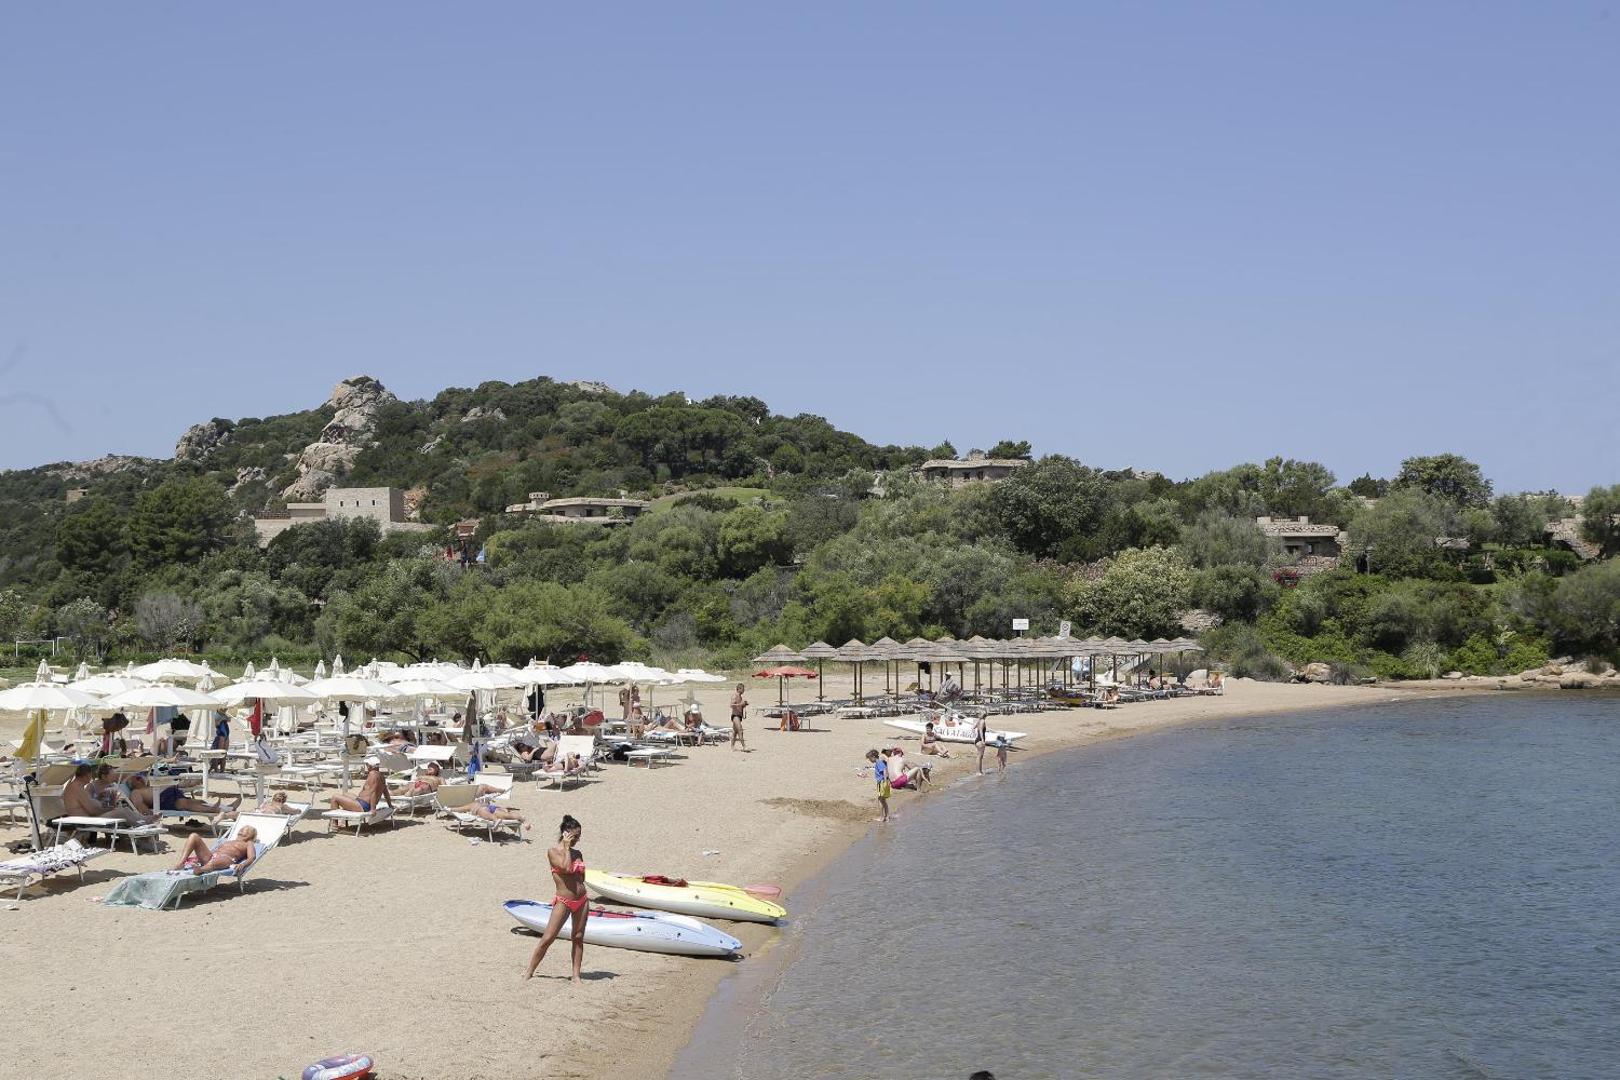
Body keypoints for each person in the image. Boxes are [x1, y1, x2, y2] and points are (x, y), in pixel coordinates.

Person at [524, 815, 589, 983]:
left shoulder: (578, 853)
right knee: (549, 937)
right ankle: (529, 971)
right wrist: (567, 848)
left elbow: (582, 878)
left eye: (579, 836)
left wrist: (578, 869)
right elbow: (566, 868)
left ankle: (576, 975)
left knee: (578, 936)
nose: (578, 839)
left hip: (582, 900)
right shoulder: (553, 852)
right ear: (566, 833)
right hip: (564, 900)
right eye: (575, 836)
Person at [127, 774, 240, 820]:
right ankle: (212, 809)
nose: (141, 778)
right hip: (162, 799)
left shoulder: (147, 787)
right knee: (185, 804)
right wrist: (150, 817)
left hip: (170, 792)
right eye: (137, 778)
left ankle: (227, 808)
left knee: (197, 801)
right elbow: (138, 804)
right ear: (133, 784)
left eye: (140, 776)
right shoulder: (136, 792)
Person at [174, 825, 258, 876]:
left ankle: (201, 870)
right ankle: (181, 863)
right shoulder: (229, 840)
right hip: (211, 857)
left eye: (247, 829)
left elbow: (252, 857)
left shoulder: (248, 843)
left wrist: (242, 865)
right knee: (194, 836)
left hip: (227, 859)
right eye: (243, 828)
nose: (243, 829)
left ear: (250, 835)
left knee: (220, 859)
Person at [327, 760, 393, 816]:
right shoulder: (381, 776)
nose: (367, 767)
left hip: (364, 805)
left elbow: (373, 792)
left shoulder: (373, 774)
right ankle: (343, 817)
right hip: (363, 802)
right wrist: (390, 805)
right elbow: (386, 793)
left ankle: (334, 824)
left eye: (367, 764)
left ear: (370, 766)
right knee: (345, 794)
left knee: (334, 797)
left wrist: (373, 809)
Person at [866, 749, 892, 822]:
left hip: (882, 782)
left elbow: (884, 770)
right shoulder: (879, 762)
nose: (870, 760)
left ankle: (882, 817)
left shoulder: (879, 762)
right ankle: (887, 816)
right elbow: (885, 769)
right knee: (883, 800)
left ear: (873, 756)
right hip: (883, 782)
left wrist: (885, 780)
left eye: (870, 758)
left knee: (880, 800)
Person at [730, 684, 748, 751]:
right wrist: (741, 704)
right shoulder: (735, 696)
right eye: (743, 689)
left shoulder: (740, 696)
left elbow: (739, 706)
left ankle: (732, 746)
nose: (744, 690)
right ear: (739, 689)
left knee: (735, 732)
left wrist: (744, 705)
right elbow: (731, 705)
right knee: (740, 730)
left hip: (739, 716)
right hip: (735, 716)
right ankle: (744, 746)